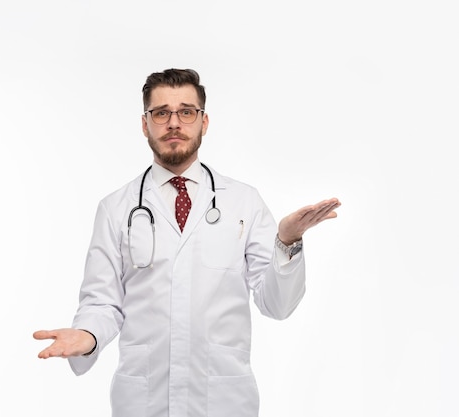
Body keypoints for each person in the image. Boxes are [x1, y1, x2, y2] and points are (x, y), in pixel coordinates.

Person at [33, 68, 341, 417]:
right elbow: (102, 302)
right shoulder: (115, 208)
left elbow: (276, 304)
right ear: (145, 123)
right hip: (144, 401)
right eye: (161, 113)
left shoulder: (243, 202)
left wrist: (287, 241)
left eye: (186, 112)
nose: (173, 122)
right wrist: (87, 336)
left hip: (223, 400)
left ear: (204, 122)